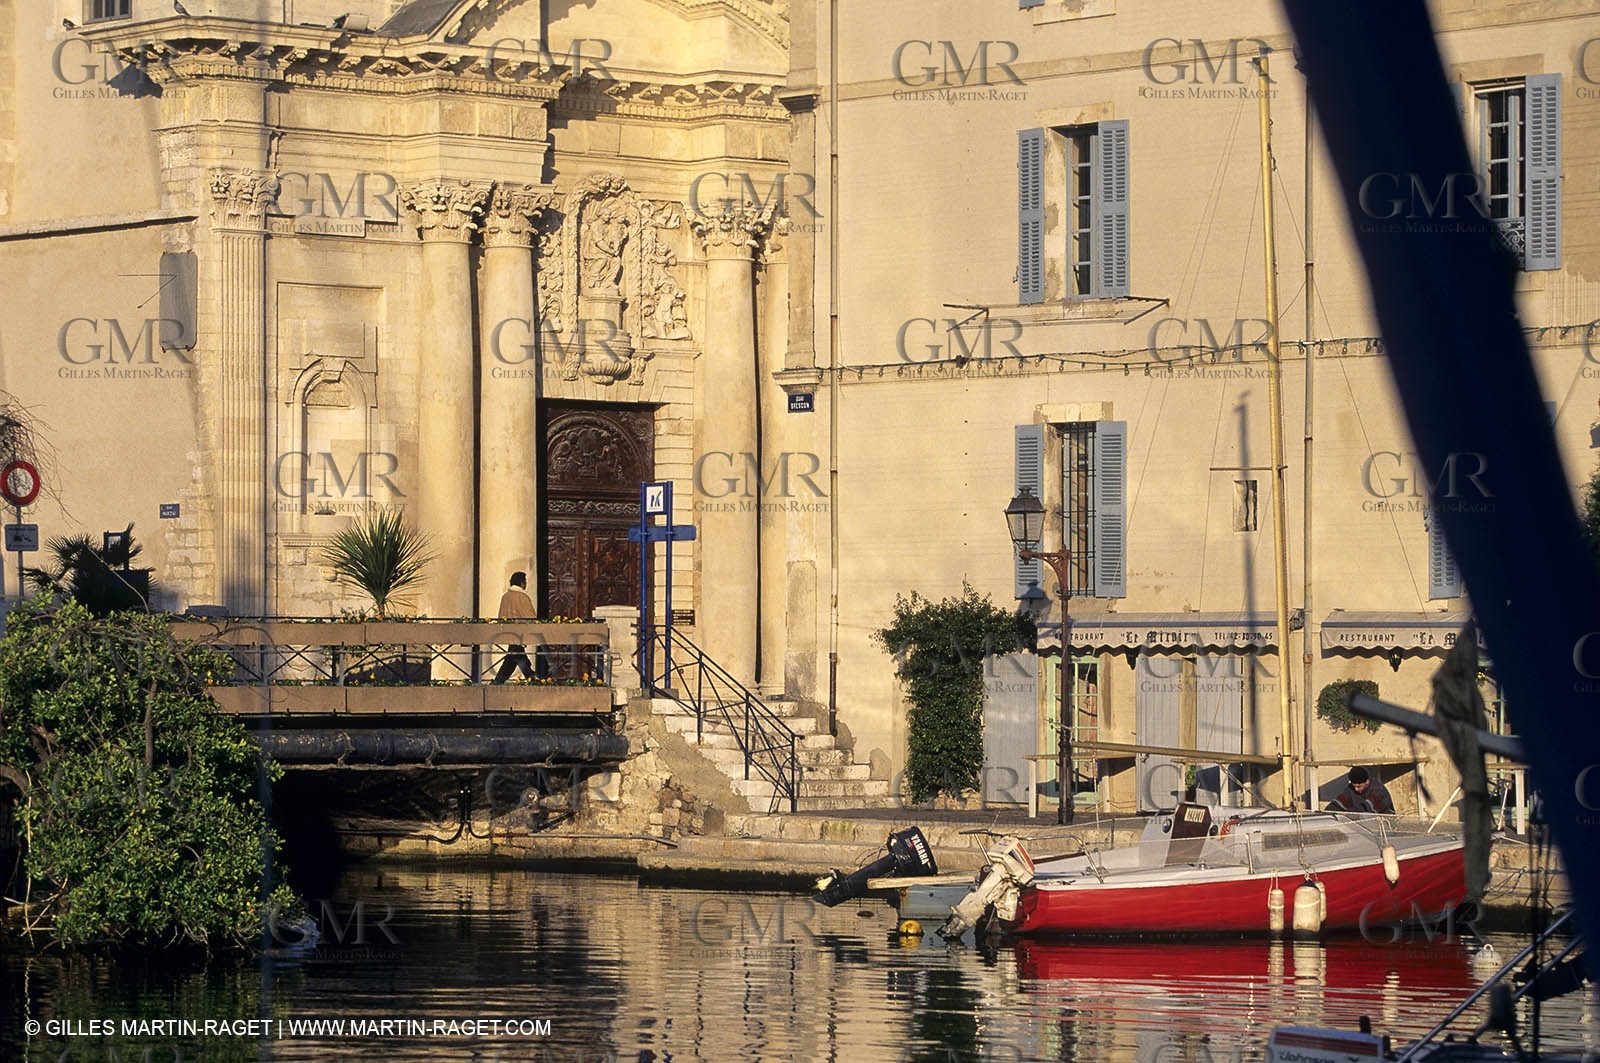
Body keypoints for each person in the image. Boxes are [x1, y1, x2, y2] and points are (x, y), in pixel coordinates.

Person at [491, 572, 537, 683]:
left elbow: (501, 615)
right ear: (522, 583)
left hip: (508, 632)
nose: (526, 585)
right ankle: (531, 677)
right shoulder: (522, 597)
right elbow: (530, 617)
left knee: (511, 658)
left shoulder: (505, 597)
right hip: (520, 632)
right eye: (525, 582)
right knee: (518, 656)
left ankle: (498, 681)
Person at [1328, 765, 1395, 814]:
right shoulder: (1351, 789)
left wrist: (1347, 814)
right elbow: (1338, 803)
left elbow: (1365, 809)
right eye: (1354, 786)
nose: (1356, 789)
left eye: (1359, 786)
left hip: (1384, 826)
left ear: (1367, 782)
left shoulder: (1378, 791)